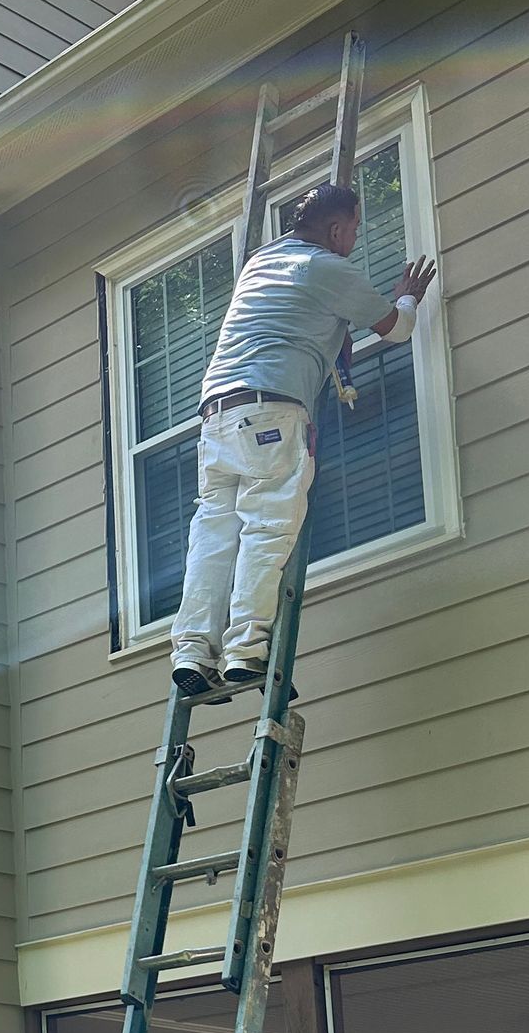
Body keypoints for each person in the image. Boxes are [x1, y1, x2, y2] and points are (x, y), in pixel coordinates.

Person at [169, 180, 437, 694]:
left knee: (213, 535)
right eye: (356, 229)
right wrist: (408, 295)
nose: (356, 239)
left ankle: (192, 650)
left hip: (216, 415)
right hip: (271, 409)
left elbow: (303, 321)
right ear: (336, 229)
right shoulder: (326, 268)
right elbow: (395, 329)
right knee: (266, 527)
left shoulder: (261, 264)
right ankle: (246, 649)